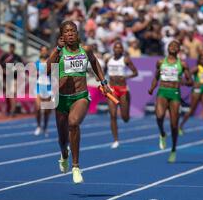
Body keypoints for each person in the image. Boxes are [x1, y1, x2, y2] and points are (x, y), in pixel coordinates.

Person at [46, 21, 112, 184]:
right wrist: (58, 49)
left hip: (80, 96)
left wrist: (103, 82)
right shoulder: (59, 53)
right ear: (62, 35)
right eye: (66, 31)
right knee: (62, 139)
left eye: (73, 31)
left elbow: (95, 63)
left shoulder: (86, 50)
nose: (70, 33)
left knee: (74, 123)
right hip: (61, 99)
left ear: (77, 33)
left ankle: (76, 166)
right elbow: (47, 71)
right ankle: (64, 155)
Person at [148, 40, 193, 163]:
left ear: (179, 50)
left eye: (175, 46)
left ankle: (173, 149)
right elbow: (156, 77)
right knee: (159, 116)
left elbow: (190, 82)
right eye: (170, 45)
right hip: (162, 92)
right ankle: (162, 133)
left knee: (174, 125)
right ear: (167, 48)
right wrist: (152, 88)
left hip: (175, 94)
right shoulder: (161, 62)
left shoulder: (183, 64)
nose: (173, 47)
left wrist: (183, 82)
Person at [104, 41, 138, 148]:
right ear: (113, 49)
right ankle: (115, 140)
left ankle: (127, 113)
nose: (117, 49)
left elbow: (135, 72)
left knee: (125, 118)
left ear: (122, 50)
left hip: (123, 89)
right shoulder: (108, 59)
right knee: (113, 115)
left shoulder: (126, 59)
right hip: (112, 89)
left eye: (120, 48)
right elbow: (102, 71)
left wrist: (127, 77)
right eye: (116, 48)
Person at [179, 52, 203, 137]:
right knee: (191, 110)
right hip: (196, 90)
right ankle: (180, 127)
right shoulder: (196, 68)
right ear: (199, 60)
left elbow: (202, 78)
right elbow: (187, 75)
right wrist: (190, 83)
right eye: (202, 58)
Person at [0, 43, 23, 117]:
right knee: (8, 95)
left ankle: (13, 110)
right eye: (10, 48)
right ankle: (9, 110)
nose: (11, 49)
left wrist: (15, 71)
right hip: (6, 79)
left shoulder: (17, 57)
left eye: (13, 48)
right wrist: (3, 71)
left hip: (14, 78)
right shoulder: (5, 56)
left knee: (13, 95)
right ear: (9, 48)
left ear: (14, 48)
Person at [34, 46, 52, 137]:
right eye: (43, 50)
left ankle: (45, 127)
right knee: (38, 108)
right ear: (40, 52)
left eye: (46, 50)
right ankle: (38, 126)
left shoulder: (51, 62)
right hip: (39, 87)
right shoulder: (36, 63)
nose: (44, 52)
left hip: (49, 88)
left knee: (46, 111)